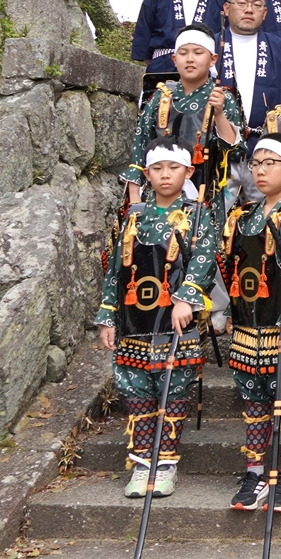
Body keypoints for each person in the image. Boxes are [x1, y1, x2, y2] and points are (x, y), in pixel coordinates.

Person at [96, 138, 216, 500]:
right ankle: (141, 461)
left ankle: (165, 463)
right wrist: (108, 316)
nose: (165, 175)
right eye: (157, 169)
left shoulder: (197, 213)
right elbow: (116, 271)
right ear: (146, 174)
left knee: (172, 391)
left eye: (173, 168)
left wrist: (187, 298)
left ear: (188, 172)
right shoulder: (134, 215)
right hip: (135, 321)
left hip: (175, 320)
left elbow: (204, 259)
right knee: (136, 392)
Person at [220, 134, 281, 512]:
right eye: (256, 163)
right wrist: (231, 311)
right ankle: (255, 471)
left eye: (270, 163)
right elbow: (235, 268)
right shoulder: (243, 216)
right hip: (249, 324)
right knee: (254, 399)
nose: (260, 170)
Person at [125, 25, 244, 208]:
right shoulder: (161, 96)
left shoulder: (223, 98)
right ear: (174, 59)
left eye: (198, 52)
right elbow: (140, 146)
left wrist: (219, 114)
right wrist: (135, 199)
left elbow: (235, 153)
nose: (190, 59)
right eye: (183, 53)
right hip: (157, 194)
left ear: (213, 59)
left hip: (208, 195)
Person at [220, 0, 281, 146]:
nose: (249, 10)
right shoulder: (210, 48)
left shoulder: (279, 48)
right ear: (226, 8)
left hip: (269, 144)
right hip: (219, 142)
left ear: (264, 13)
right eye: (242, 3)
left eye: (256, 5)